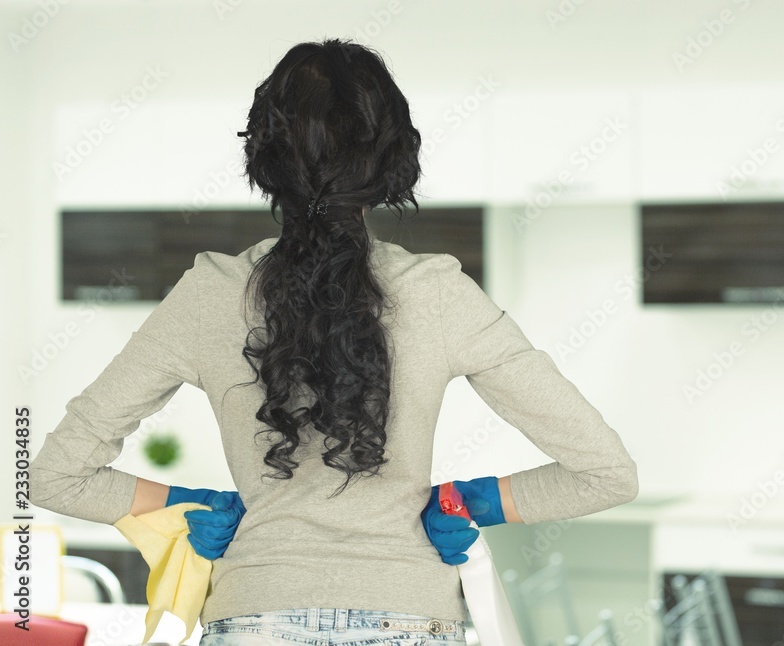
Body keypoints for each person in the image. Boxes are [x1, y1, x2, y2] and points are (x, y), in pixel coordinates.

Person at [31, 38, 639, 644]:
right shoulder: (439, 292)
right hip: (411, 618)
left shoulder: (209, 293)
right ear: (393, 159)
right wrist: (473, 502)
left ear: (264, 158)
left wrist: (191, 504)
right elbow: (606, 475)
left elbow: (55, 477)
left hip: (252, 618)